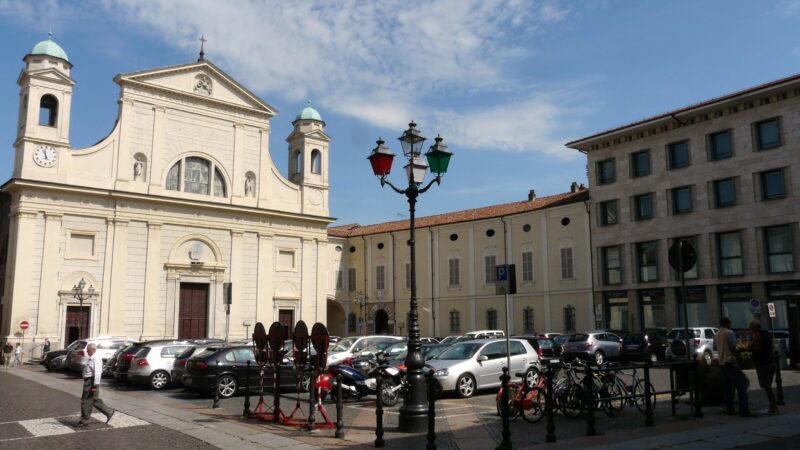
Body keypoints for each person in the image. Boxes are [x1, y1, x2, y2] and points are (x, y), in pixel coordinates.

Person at [715, 317, 754, 417]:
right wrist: (744, 348)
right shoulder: (730, 333)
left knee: (728, 388)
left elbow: (716, 347)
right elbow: (734, 347)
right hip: (731, 362)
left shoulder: (717, 334)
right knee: (741, 386)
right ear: (727, 323)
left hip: (722, 362)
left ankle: (730, 409)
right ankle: (744, 410)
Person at [75, 343, 114, 427]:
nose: (87, 352)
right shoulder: (92, 358)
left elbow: (97, 372)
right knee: (93, 400)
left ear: (92, 349)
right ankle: (108, 412)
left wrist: (95, 385)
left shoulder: (96, 358)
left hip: (91, 381)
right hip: (89, 381)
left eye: (88, 350)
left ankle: (84, 420)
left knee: (86, 401)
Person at [750, 320, 778, 415]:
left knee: (767, 387)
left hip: (762, 364)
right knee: (768, 386)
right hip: (770, 362)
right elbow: (771, 347)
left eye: (751, 328)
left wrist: (750, 347)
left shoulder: (758, 336)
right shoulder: (767, 334)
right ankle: (773, 406)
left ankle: (773, 407)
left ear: (754, 329)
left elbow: (758, 348)